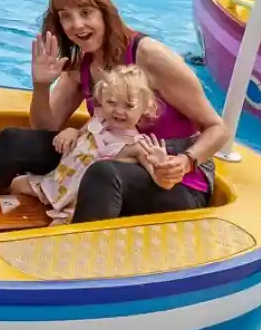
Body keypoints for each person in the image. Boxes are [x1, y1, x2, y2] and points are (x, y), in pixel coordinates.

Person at [0, 0, 225, 222]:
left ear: (105, 14)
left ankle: (74, 254)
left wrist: (185, 162)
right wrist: (41, 85)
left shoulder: (150, 55)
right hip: (99, 156)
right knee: (12, 141)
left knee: (102, 175)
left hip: (173, 180)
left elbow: (217, 127)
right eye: (66, 16)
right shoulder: (82, 62)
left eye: (86, 12)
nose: (77, 24)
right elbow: (45, 128)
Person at [10, 65, 159, 225]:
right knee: (16, 184)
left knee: (56, 228)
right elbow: (81, 134)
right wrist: (71, 131)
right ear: (101, 98)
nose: (119, 111)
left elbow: (158, 178)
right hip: (57, 185)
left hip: (77, 203)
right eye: (111, 102)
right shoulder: (98, 120)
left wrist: (159, 162)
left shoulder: (136, 145)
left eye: (129, 106)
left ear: (146, 108)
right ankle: (11, 220)